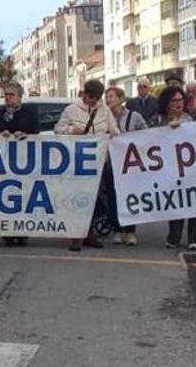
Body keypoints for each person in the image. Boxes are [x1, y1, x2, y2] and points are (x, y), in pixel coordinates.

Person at [55, 79, 119, 251]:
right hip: (77, 161)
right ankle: (76, 235)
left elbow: (115, 131)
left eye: (97, 98)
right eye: (91, 97)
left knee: (93, 199)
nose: (93, 101)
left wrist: (109, 135)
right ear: (84, 94)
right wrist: (71, 131)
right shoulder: (71, 110)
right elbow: (57, 129)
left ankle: (88, 233)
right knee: (77, 197)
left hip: (98, 161)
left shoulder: (104, 110)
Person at [0, 81, 39, 247]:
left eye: (11, 94)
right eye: (6, 95)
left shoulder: (29, 113)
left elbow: (36, 133)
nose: (8, 98)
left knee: (23, 196)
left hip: (24, 163)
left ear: (19, 96)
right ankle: (7, 231)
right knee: (5, 197)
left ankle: (22, 231)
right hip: (3, 163)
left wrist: (26, 135)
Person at [155, 86, 196, 251]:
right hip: (171, 167)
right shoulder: (158, 120)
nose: (178, 103)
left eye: (180, 100)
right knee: (175, 202)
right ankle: (173, 237)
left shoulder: (192, 117)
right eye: (174, 101)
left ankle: (195, 238)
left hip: (194, 166)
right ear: (167, 103)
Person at [104, 85, 147, 246]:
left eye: (111, 96)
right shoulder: (103, 117)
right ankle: (117, 229)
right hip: (111, 164)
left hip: (129, 165)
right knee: (113, 198)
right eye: (107, 97)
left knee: (130, 196)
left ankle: (130, 231)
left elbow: (146, 134)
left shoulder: (134, 117)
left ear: (121, 98)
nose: (108, 100)